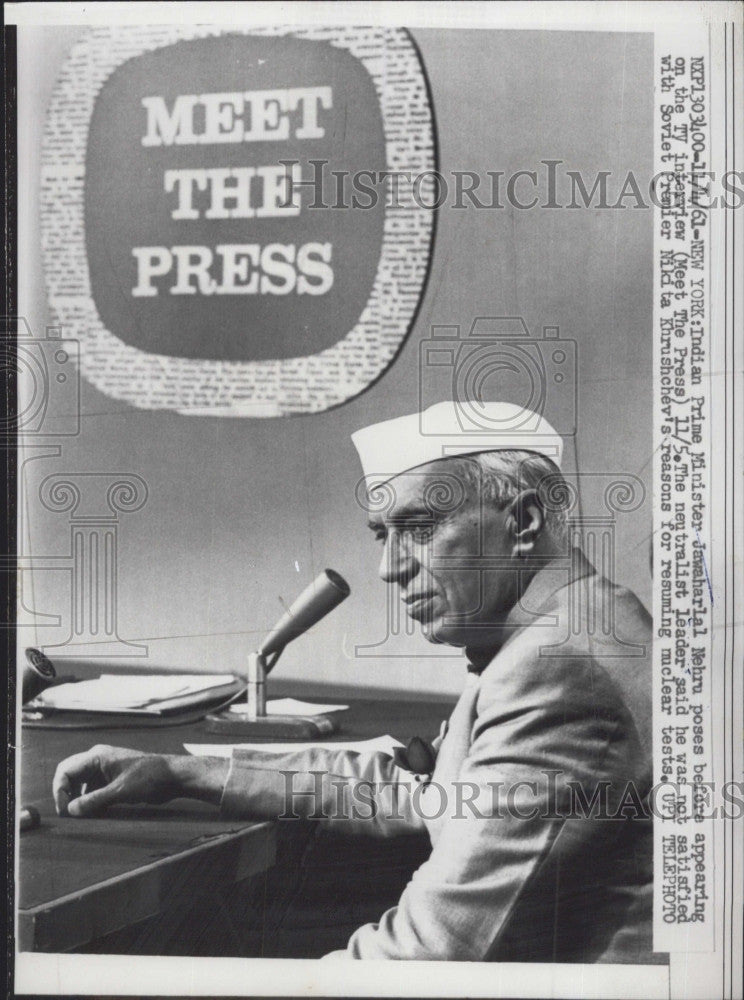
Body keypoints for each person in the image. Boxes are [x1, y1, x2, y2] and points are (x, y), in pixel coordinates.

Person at [52, 401, 656, 963]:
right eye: (381, 533)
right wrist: (183, 774)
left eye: (419, 527)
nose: (388, 567)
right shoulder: (578, 624)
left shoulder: (556, 670)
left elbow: (434, 953)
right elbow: (433, 793)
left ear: (522, 520)